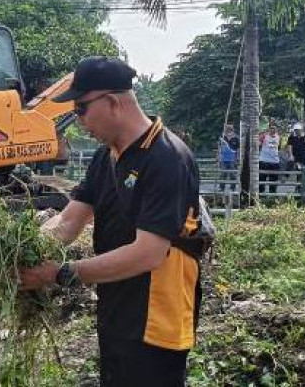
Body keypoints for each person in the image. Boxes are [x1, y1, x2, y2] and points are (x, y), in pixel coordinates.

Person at [18, 57, 203, 387]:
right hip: (116, 302)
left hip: (158, 315)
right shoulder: (106, 156)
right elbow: (68, 222)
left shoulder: (167, 157)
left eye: (81, 109)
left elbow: (149, 253)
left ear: (113, 102)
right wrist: (24, 247)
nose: (78, 120)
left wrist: (60, 274)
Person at [258, 121, 281, 195]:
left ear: (276, 129)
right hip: (264, 161)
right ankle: (261, 196)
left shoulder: (278, 137)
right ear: (269, 128)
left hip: (275, 162)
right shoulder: (264, 136)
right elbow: (258, 144)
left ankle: (272, 196)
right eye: (271, 128)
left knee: (273, 182)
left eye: (274, 128)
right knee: (261, 180)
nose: (273, 130)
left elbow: (279, 148)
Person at [218, 124, 239, 193]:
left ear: (232, 130)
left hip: (232, 159)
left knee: (232, 174)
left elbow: (238, 149)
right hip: (223, 158)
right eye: (227, 129)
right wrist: (218, 156)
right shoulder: (223, 137)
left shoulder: (236, 138)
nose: (228, 130)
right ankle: (221, 187)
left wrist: (237, 158)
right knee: (222, 174)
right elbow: (219, 147)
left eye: (230, 129)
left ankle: (232, 188)